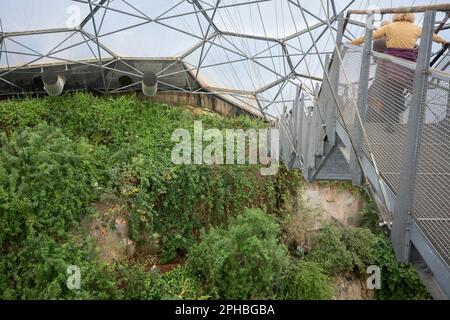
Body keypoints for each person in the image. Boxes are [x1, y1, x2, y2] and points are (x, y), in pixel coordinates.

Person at [351, 11, 449, 132]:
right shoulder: (413, 32)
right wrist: (444, 41)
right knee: (393, 96)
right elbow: (430, 35)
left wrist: (352, 43)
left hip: (386, 74)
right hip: (405, 74)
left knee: (384, 97)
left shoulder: (381, 40)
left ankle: (385, 122)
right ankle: (391, 120)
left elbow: (374, 53)